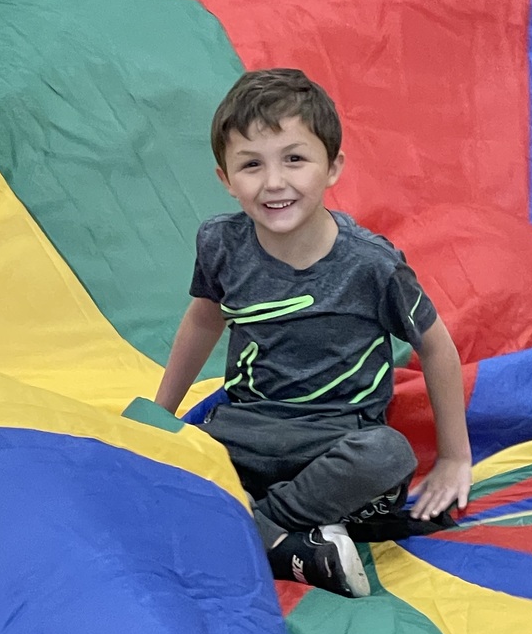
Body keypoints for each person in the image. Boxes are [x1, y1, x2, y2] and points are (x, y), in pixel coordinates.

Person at [155, 68, 471, 597]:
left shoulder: (371, 265)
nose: (274, 182)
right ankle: (295, 544)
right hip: (248, 431)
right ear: (225, 179)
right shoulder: (221, 244)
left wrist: (454, 456)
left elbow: (435, 346)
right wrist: (160, 415)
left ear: (333, 168)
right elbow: (204, 319)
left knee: (389, 455)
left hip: (337, 440)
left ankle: (257, 527)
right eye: (251, 165)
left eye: (294, 159)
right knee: (164, 465)